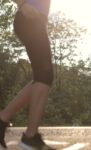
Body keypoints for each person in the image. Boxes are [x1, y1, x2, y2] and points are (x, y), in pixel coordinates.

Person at [0, 0, 55, 149]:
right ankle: (29, 138)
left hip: (35, 21)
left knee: (42, 78)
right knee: (44, 77)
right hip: (29, 18)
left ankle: (2, 119)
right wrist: (23, 4)